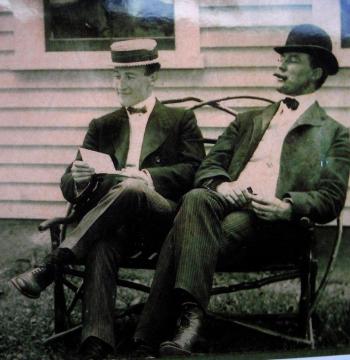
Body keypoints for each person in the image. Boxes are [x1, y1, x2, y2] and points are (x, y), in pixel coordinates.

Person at [133, 24, 350, 357]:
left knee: (185, 229)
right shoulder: (248, 121)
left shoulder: (335, 134)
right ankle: (188, 325)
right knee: (196, 197)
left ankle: (149, 334)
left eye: (292, 60)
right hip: (220, 211)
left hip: (273, 225)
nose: (280, 67)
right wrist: (223, 184)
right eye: (281, 59)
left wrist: (288, 206)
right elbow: (208, 166)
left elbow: (331, 198)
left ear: (316, 72)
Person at [11, 39, 205, 359]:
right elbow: (68, 181)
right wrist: (79, 180)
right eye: (116, 75)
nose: (120, 84)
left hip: (162, 221)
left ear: (152, 77)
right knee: (101, 243)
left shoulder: (180, 119)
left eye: (129, 76)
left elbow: (194, 169)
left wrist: (147, 177)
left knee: (132, 187)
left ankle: (51, 266)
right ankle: (96, 342)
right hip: (114, 224)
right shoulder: (103, 126)